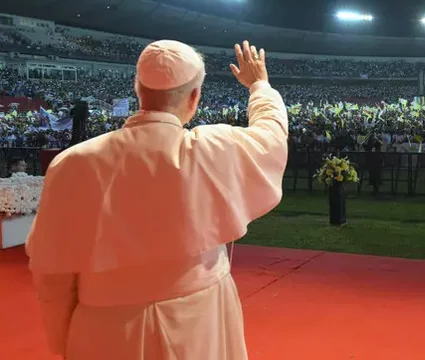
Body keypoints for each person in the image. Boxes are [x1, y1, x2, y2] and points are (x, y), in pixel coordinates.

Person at [26, 40, 289, 360]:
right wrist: (259, 86)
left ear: (138, 89)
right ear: (194, 97)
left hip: (104, 330)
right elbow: (271, 135)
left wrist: (65, 341)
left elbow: (51, 273)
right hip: (197, 322)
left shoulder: (73, 164)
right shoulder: (212, 149)